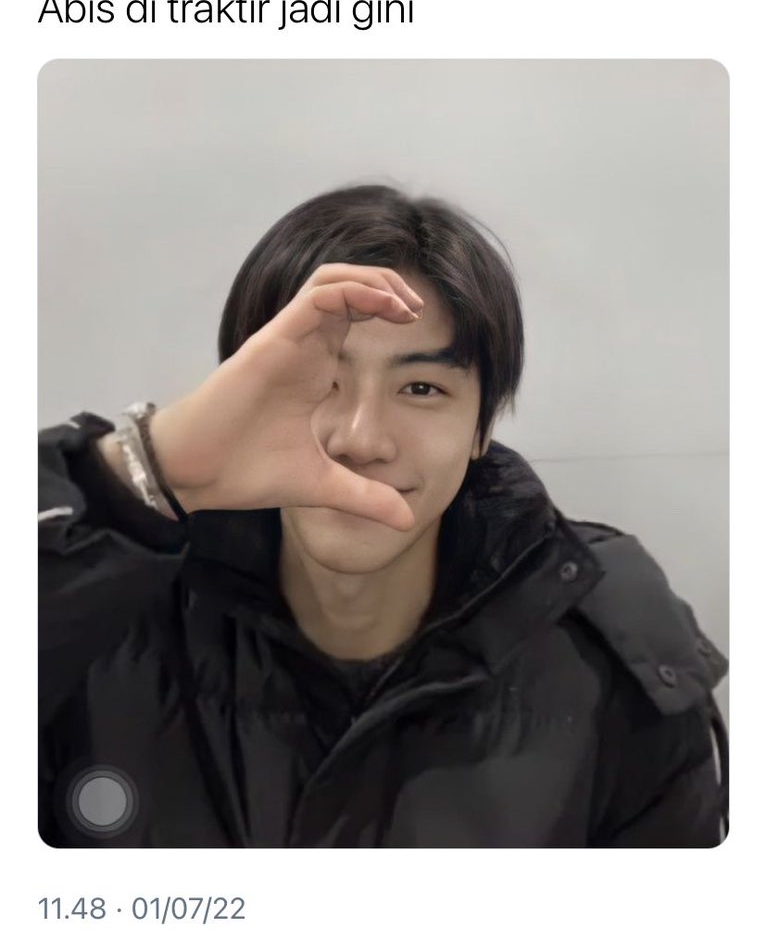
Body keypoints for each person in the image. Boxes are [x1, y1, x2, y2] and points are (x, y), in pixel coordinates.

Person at [38, 185, 728, 847]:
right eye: (321, 381)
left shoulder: (618, 654)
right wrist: (146, 471)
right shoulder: (102, 604)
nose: (361, 440)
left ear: (482, 427)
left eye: (421, 387)